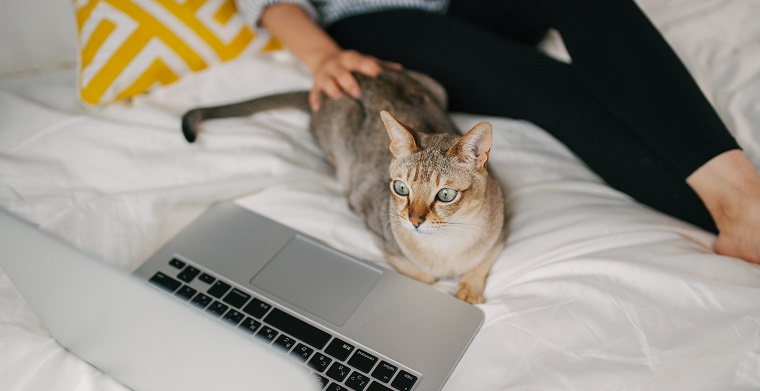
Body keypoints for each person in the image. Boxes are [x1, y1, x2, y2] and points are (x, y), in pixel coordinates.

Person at [235, 0, 760, 265]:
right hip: (375, 23)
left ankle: (746, 199)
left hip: (460, 7)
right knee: (548, 87)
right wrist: (323, 55)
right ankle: (740, 208)